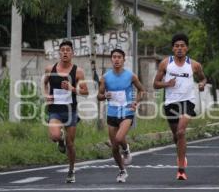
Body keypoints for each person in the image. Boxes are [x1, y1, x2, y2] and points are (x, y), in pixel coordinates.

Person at [153, 33, 206, 180]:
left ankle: (181, 169)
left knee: (181, 132)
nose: (180, 48)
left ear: (187, 48)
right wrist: (167, 84)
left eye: (182, 46)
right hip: (171, 103)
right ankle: (181, 154)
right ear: (173, 48)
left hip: (188, 102)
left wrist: (202, 84)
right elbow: (155, 84)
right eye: (176, 46)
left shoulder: (194, 65)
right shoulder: (165, 63)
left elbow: (203, 78)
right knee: (177, 136)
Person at [43, 40, 88, 183]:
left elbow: (85, 91)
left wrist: (72, 88)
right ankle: (59, 140)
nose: (65, 52)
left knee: (70, 144)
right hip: (55, 110)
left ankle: (71, 169)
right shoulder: (50, 69)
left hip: (70, 111)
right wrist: (46, 95)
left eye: (68, 50)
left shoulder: (78, 71)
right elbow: (44, 84)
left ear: (72, 53)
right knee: (55, 136)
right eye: (62, 50)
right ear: (59, 53)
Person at [97, 48, 145, 183]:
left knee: (119, 138)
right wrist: (104, 95)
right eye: (114, 57)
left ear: (124, 60)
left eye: (119, 57)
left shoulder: (131, 76)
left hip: (127, 112)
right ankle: (122, 171)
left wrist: (136, 102)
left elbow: (142, 90)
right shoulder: (105, 78)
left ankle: (126, 148)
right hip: (112, 113)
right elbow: (99, 96)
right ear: (111, 59)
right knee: (113, 147)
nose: (116, 59)